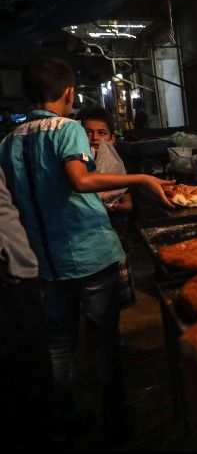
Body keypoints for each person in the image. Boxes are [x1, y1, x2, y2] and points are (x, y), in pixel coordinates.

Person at [0, 56, 174, 445]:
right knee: (104, 341)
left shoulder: (9, 141)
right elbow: (79, 179)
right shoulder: (68, 129)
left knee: (59, 344)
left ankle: (65, 418)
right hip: (90, 252)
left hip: (44, 260)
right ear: (69, 93)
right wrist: (143, 178)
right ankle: (115, 418)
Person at [1, 166, 54, 452]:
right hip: (12, 277)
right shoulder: (65, 130)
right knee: (26, 385)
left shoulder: (9, 142)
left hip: (30, 259)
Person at [78, 105, 135, 309]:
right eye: (88, 132)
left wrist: (115, 207)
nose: (94, 138)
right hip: (87, 245)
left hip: (116, 240)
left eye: (102, 133)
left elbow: (128, 205)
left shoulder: (116, 168)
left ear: (112, 139)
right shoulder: (76, 168)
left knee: (116, 301)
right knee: (93, 304)